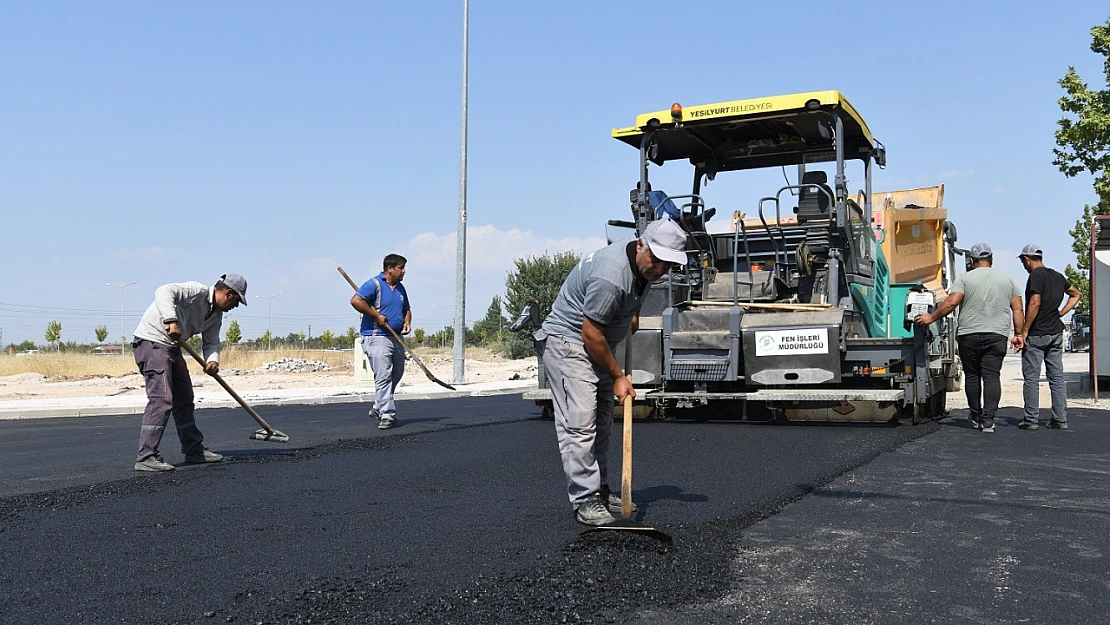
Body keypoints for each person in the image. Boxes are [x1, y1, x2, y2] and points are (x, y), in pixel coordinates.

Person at [535, 217, 687, 526]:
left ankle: (600, 491)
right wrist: (619, 376)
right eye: (656, 261)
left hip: (596, 343)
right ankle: (585, 500)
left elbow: (636, 287)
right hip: (569, 343)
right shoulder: (611, 276)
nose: (659, 270)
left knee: (602, 422)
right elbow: (590, 333)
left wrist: (632, 312)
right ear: (641, 244)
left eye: (667, 266)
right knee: (580, 424)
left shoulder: (643, 267)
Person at [132, 274, 247, 471]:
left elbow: (211, 342)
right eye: (236, 301)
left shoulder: (215, 316)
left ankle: (193, 450)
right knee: (162, 399)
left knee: (184, 399)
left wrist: (213, 361)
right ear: (228, 293)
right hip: (151, 342)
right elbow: (163, 291)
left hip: (172, 347)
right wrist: (171, 319)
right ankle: (146, 456)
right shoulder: (196, 291)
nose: (234, 307)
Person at [915, 243, 1023, 433]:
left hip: (969, 335)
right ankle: (989, 422)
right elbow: (1017, 309)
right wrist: (1019, 334)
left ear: (971, 261)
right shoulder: (1009, 280)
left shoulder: (964, 279)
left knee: (972, 376)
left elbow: (951, 302)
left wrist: (930, 317)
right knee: (991, 377)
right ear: (991, 259)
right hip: (997, 335)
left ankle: (976, 416)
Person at [1016, 244, 1082, 430]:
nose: (1023, 265)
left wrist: (1025, 330)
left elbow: (1034, 303)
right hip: (1055, 332)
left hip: (1038, 333)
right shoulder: (1057, 276)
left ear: (1027, 259)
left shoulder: (1035, 276)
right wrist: (1061, 313)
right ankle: (1060, 419)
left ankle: (1031, 419)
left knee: (1031, 378)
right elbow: (1076, 294)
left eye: (1023, 261)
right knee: (1057, 377)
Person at [351, 253, 411, 430]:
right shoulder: (374, 284)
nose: (404, 271)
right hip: (376, 336)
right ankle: (387, 414)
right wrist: (376, 316)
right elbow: (356, 301)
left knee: (397, 373)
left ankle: (378, 406)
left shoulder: (400, 288)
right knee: (383, 376)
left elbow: (406, 308)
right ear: (390, 268)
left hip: (395, 337)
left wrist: (407, 321)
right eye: (401, 268)